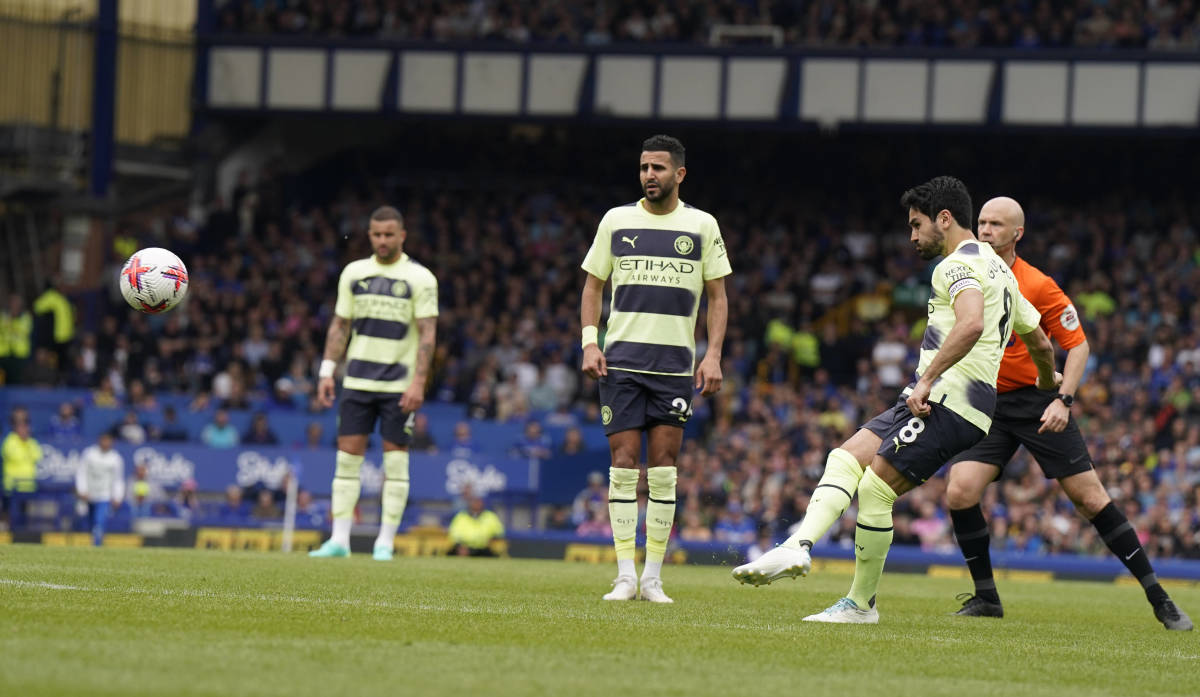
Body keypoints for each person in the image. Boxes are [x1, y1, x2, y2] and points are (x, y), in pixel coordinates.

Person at [732, 176, 1056, 623]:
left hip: (948, 402)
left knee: (876, 489)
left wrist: (927, 381)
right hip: (939, 400)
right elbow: (1039, 341)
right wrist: (1045, 380)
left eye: (917, 224)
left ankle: (860, 604)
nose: (912, 236)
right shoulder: (1002, 271)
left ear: (944, 219)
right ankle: (796, 546)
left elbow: (971, 324)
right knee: (845, 457)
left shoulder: (954, 266)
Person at [945, 197, 1192, 630]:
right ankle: (987, 597)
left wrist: (1065, 400)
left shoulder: (1038, 284)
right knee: (959, 491)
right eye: (981, 222)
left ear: (1017, 233)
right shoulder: (961, 274)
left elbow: (1078, 345)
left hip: (1039, 400)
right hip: (988, 401)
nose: (985, 230)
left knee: (1090, 499)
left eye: (996, 224)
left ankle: (1160, 598)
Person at [581, 134, 731, 603]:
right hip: (621, 362)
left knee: (664, 468)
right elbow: (592, 287)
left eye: (659, 168)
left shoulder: (702, 225)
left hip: (673, 366)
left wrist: (712, 355)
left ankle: (653, 578)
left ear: (679, 174)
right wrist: (590, 342)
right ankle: (625, 574)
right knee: (623, 465)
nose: (650, 175)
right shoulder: (616, 220)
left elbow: (718, 296)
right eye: (645, 167)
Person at [309, 205, 438, 561]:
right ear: (369, 235)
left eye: (389, 235)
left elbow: (428, 334)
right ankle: (339, 541)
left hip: (399, 385)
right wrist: (326, 372)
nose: (382, 241)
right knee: (346, 461)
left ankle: (384, 542)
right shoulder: (354, 273)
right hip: (357, 381)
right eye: (376, 235)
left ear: (401, 236)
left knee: (395, 464)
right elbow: (339, 325)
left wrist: (418, 383)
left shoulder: (420, 278)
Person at [75, 432, 125, 546]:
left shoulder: (116, 459)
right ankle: (91, 544)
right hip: (88, 495)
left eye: (108, 441)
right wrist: (82, 490)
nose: (106, 443)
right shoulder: (89, 454)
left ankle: (97, 546)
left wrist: (117, 496)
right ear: (99, 440)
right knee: (89, 523)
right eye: (104, 440)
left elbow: (118, 479)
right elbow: (81, 472)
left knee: (99, 522)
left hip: (104, 495)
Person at [2, 412, 42, 529]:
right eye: (21, 427)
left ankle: (23, 530)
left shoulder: (31, 441)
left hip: (27, 485)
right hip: (12, 484)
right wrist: (27, 453)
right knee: (8, 510)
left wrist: (26, 449)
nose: (24, 430)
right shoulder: (10, 441)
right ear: (15, 428)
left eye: (26, 427)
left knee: (24, 512)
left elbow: (38, 456)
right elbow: (15, 456)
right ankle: (5, 530)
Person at [447, 492, 505, 556]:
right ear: (470, 503)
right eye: (474, 502)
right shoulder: (461, 516)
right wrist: (460, 545)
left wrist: (493, 539)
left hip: (485, 548)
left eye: (478, 502)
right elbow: (454, 534)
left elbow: (499, 532)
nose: (477, 504)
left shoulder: (490, 516)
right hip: (465, 548)